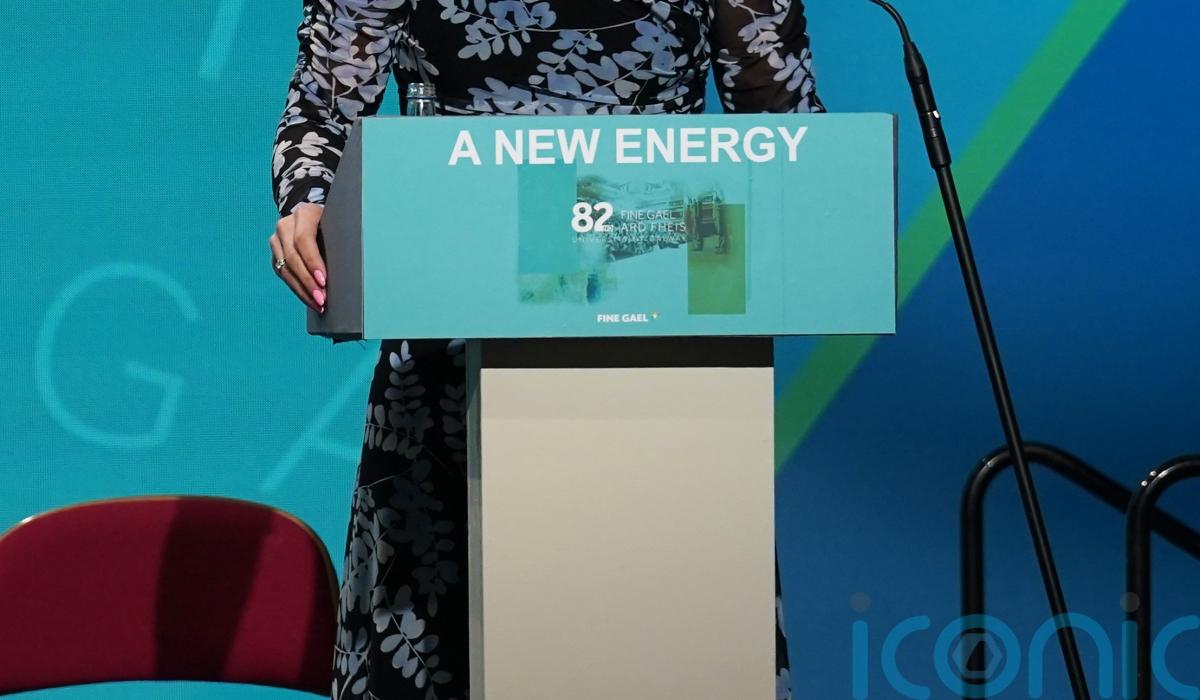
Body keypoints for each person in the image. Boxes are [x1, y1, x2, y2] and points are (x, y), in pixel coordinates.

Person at [269, 1, 823, 698]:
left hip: (667, 343)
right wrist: (310, 202)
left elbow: (789, 136)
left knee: (672, 643)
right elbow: (323, 111)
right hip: (453, 358)